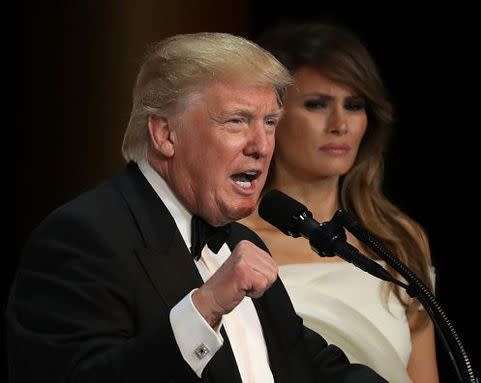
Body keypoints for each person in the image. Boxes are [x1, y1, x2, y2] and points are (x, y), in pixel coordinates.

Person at [5, 32, 389, 383]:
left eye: (270, 122)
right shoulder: (83, 236)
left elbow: (309, 366)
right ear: (165, 134)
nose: (262, 145)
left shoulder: (239, 240)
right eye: (237, 121)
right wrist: (205, 308)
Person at [240, 23, 439, 383]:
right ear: (269, 118)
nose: (340, 124)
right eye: (317, 104)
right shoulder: (230, 239)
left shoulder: (398, 239)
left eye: (354, 105)